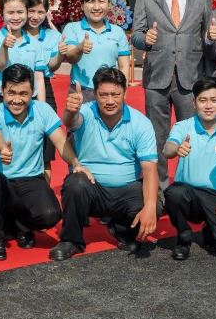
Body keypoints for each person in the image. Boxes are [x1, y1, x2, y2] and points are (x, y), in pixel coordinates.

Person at [50, 67, 160, 260]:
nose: (110, 101)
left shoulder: (141, 123)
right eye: (103, 95)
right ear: (94, 94)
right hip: (92, 188)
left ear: (125, 93)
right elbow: (71, 122)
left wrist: (150, 207)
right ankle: (71, 240)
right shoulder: (85, 112)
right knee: (75, 183)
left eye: (115, 95)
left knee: (154, 203)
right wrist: (70, 110)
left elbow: (150, 169)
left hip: (127, 190)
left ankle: (121, 229)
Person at [0, 64, 81, 261]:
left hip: (31, 179)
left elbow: (61, 142)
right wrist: (2, 148)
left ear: (32, 92)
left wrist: (75, 163)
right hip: (0, 181)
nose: (17, 100)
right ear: (2, 91)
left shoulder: (43, 110)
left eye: (23, 94)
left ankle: (21, 226)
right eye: (11, 93)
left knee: (51, 215)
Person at [131, 0, 213, 165]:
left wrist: (209, 74)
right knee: (157, 137)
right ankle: (159, 185)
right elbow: (136, 35)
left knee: (193, 136)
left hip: (191, 76)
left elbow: (207, 35)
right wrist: (145, 39)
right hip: (156, 77)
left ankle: (190, 181)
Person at [163, 76, 216, 259]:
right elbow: (167, 149)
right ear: (194, 103)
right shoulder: (182, 126)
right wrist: (176, 149)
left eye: (214, 100)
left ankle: (209, 229)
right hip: (188, 194)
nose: (208, 106)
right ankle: (183, 238)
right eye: (202, 100)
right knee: (174, 193)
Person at [60, 0, 133, 127]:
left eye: (101, 1)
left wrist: (122, 89)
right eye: (91, 1)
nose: (96, 7)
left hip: (110, 92)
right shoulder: (72, 28)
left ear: (109, 4)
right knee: (78, 132)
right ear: (82, 5)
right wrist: (79, 48)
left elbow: (124, 65)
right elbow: (70, 57)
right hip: (82, 91)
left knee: (111, 132)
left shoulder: (118, 32)